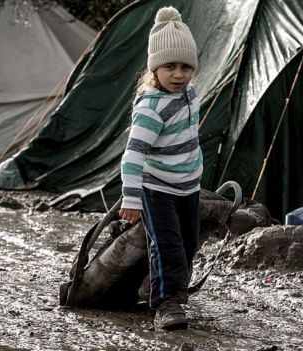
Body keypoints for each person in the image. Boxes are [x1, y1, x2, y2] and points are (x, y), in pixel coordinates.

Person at [119, 6, 201, 331]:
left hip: (188, 186)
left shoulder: (190, 94)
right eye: (170, 67)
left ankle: (156, 284)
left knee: (188, 243)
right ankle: (166, 303)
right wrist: (130, 198)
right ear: (155, 68)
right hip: (157, 189)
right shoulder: (152, 109)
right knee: (167, 244)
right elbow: (132, 156)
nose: (178, 74)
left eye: (185, 67)